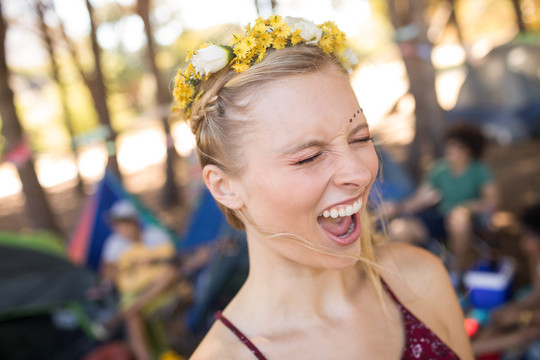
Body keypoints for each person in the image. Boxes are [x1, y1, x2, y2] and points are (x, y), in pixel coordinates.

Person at [172, 16, 473, 359]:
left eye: (360, 137)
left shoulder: (420, 281)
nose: (359, 172)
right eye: (309, 157)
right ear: (224, 187)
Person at [385, 123, 499, 277]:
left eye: (457, 147)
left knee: (458, 219)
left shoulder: (479, 170)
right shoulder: (439, 169)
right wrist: (398, 207)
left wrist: (466, 208)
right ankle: (406, 276)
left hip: (469, 221)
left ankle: (456, 272)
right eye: (450, 145)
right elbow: (419, 198)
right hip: (438, 217)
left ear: (469, 150)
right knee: (399, 229)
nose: (450, 150)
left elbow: (491, 202)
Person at [101, 200, 178, 360]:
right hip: (133, 290)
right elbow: (106, 274)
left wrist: (149, 261)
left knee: (170, 275)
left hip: (159, 288)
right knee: (133, 317)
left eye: (121, 224)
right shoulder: (113, 245)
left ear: (133, 223)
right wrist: (122, 270)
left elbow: (172, 262)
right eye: (115, 224)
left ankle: (134, 307)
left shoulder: (155, 235)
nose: (118, 228)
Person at [471, 203, 540, 358]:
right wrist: (514, 309)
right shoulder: (534, 255)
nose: (523, 243)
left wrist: (522, 317)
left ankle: (463, 352)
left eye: (527, 236)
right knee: (499, 322)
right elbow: (537, 292)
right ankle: (465, 351)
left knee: (523, 335)